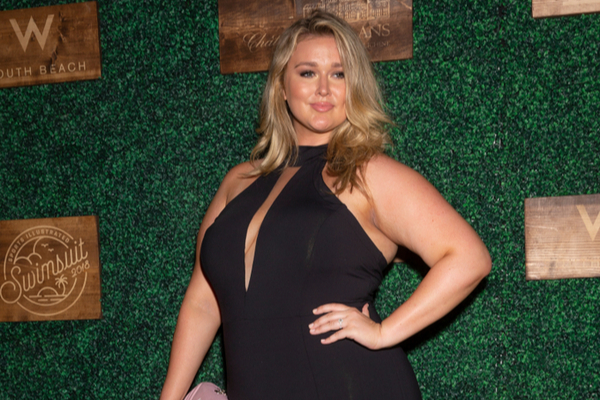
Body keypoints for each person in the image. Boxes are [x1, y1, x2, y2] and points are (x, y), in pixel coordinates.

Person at [161, 10, 491, 400]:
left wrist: (384, 332)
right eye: (307, 73)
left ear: (355, 87)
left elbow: (469, 258)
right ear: (282, 86)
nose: (323, 89)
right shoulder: (237, 182)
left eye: (339, 74)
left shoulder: (368, 173)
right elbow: (203, 303)